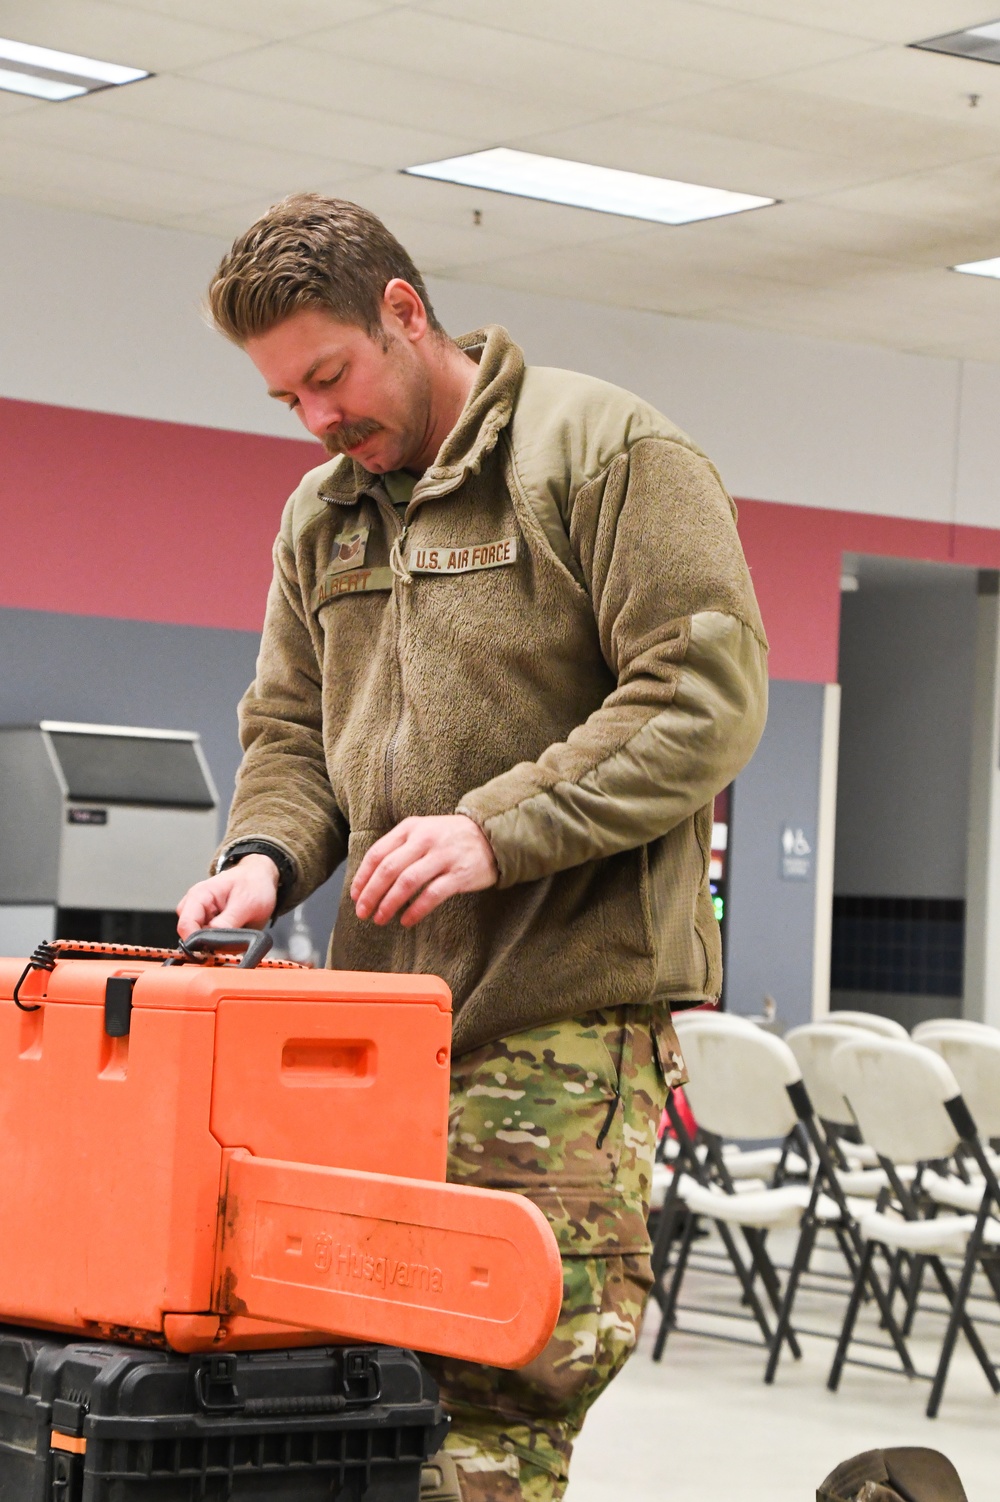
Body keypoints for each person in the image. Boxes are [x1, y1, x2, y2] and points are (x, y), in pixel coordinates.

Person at [177, 193, 768, 1502]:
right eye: (289, 401)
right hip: (373, 1037)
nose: (319, 419)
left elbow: (700, 697)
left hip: (556, 1013)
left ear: (406, 310)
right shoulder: (323, 518)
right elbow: (289, 732)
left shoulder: (601, 452)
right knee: (360, 1384)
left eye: (329, 375)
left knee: (504, 1389)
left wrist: (496, 829)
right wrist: (268, 855)